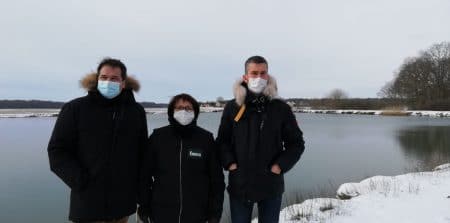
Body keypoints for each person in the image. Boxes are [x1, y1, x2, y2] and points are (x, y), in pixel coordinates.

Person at [47, 58, 148, 223]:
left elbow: (142, 152)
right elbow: (57, 151)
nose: (108, 82)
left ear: (123, 83)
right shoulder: (75, 109)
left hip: (122, 207)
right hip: (88, 207)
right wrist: (80, 181)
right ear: (97, 79)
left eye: (114, 78)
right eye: (104, 77)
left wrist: (139, 192)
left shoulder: (135, 112)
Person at [216, 56, 305, 223]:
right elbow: (222, 141)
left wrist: (279, 166)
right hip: (240, 185)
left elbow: (296, 143)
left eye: (263, 73)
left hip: (271, 185)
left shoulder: (281, 108)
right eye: (254, 73)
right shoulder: (232, 107)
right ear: (245, 77)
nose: (258, 77)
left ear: (268, 75)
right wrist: (231, 165)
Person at [138, 93, 225, 223]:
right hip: (161, 213)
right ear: (171, 111)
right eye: (179, 108)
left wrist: (215, 213)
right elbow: (144, 176)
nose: (184, 111)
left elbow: (216, 180)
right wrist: (144, 207)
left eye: (188, 108)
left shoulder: (206, 139)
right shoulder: (158, 138)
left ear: (195, 112)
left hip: (197, 214)